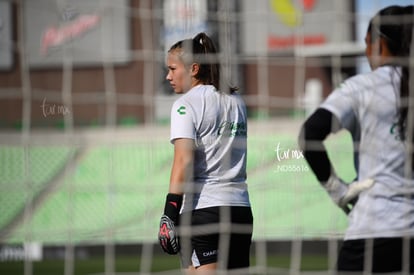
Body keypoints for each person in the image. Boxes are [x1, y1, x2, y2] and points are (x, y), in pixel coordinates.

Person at [299, 5, 414, 273]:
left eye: (366, 44)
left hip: (373, 229)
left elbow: (310, 134)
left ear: (379, 44)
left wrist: (338, 191)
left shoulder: (362, 88)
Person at [158, 32, 253, 274]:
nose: (168, 76)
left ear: (194, 68)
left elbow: (184, 159)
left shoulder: (185, 105)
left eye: (172, 69)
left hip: (204, 211)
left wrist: (169, 212)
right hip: (240, 210)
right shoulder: (237, 101)